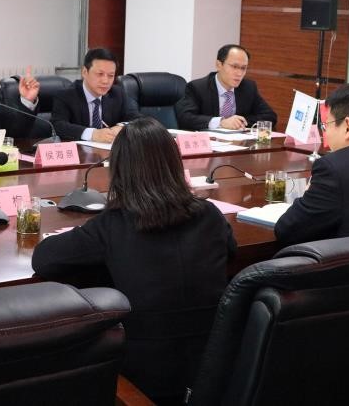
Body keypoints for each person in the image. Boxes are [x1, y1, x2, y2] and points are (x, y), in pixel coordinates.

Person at [32, 116, 236, 404]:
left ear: (119, 169)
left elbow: (44, 259)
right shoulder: (209, 214)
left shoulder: (115, 223)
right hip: (214, 366)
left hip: (143, 377)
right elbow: (231, 251)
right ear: (174, 162)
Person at [275, 79, 349, 244]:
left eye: (326, 125)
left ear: (348, 126)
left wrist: (308, 194)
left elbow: (287, 230)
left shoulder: (335, 168)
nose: (325, 134)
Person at [175, 44, 277, 130]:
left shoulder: (248, 87)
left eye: (243, 68)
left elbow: (270, 116)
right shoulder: (197, 87)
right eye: (234, 67)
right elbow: (185, 118)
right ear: (219, 65)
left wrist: (238, 122)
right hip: (210, 144)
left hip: (238, 143)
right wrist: (221, 122)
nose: (239, 73)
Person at [51, 48, 141, 142]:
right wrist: (93, 134)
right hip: (79, 150)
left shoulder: (117, 93)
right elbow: (57, 125)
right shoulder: (66, 95)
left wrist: (121, 127)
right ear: (85, 72)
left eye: (111, 75)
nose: (105, 81)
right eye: (100, 74)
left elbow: (138, 119)